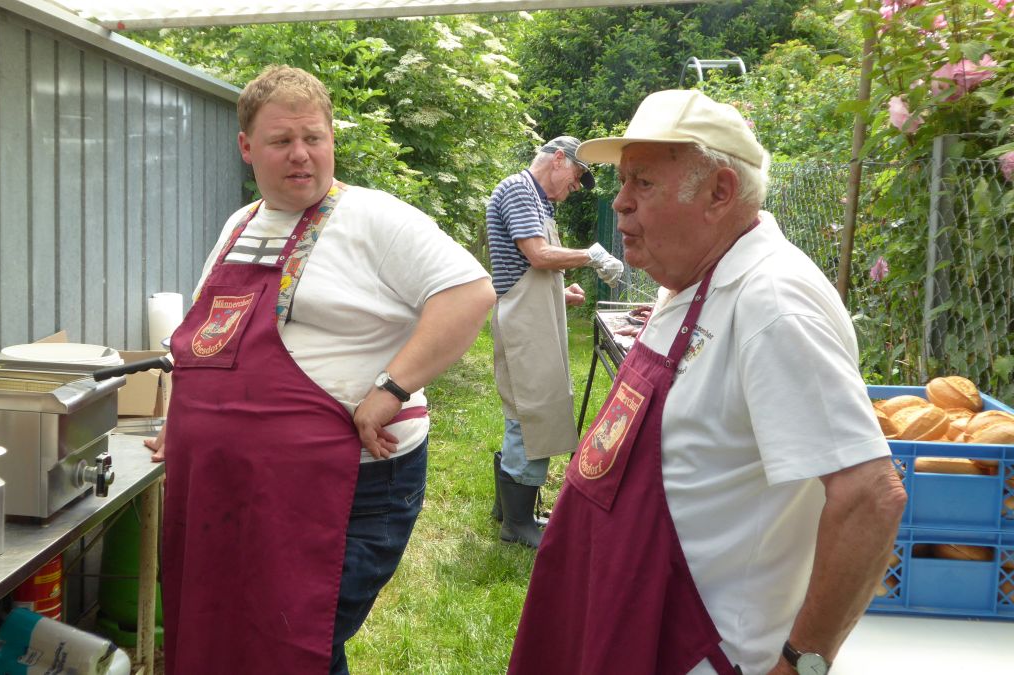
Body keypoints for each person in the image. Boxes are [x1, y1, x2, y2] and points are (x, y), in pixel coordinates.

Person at [506, 89, 907, 674]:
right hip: (631, 616)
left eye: (643, 183)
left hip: (702, 649)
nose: (620, 202)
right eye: (623, 180)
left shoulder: (773, 303)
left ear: (720, 192)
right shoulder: (694, 278)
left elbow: (870, 496)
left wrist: (801, 663)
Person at [148, 65, 495, 674]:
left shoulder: (375, 218)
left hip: (349, 484)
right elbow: (208, 339)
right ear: (246, 147)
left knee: (295, 640)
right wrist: (181, 421)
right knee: (247, 634)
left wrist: (391, 388)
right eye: (282, 140)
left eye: (314, 137)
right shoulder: (240, 225)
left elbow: (469, 293)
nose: (301, 154)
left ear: (332, 139)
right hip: (240, 486)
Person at [486, 135, 624, 548]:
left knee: (527, 409)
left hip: (532, 316)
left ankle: (509, 510)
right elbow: (538, 255)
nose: (576, 186)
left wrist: (558, 294)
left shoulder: (539, 201)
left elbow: (519, 269)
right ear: (559, 159)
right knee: (532, 412)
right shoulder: (518, 190)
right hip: (523, 324)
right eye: (578, 175)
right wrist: (593, 256)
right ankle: (517, 524)